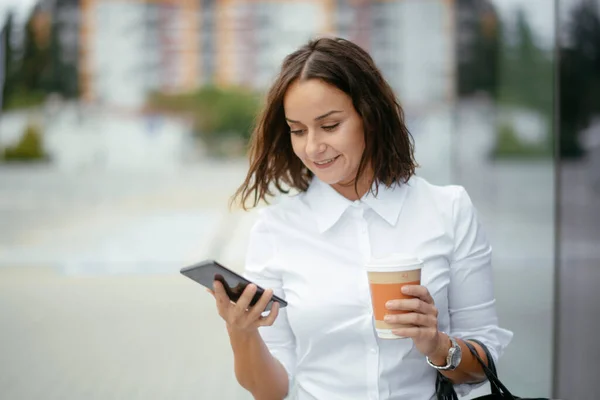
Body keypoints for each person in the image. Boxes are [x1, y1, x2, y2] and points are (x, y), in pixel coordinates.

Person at [208, 37, 513, 400]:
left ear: (369, 116)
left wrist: (436, 344)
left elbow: (482, 364)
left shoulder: (448, 210)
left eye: (330, 125)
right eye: (298, 130)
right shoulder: (276, 228)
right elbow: (272, 392)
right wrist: (241, 333)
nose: (312, 147)